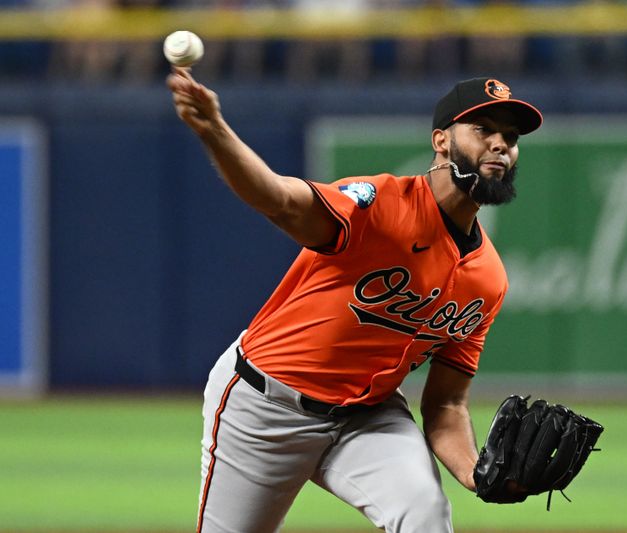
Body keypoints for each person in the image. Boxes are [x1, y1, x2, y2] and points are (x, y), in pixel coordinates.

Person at [167, 70, 542, 532]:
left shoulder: (488, 279)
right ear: (441, 141)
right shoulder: (378, 205)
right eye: (483, 130)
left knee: (425, 512)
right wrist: (216, 132)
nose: (501, 144)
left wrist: (477, 474)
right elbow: (280, 201)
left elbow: (445, 406)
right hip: (266, 407)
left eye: (511, 136)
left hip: (368, 418)